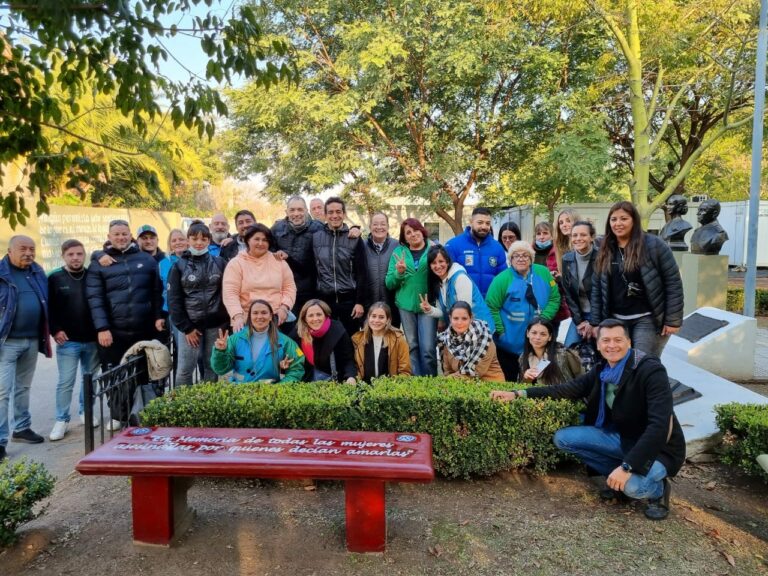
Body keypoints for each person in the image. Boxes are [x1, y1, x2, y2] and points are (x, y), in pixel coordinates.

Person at [491, 319, 686, 521]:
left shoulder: (650, 371)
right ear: (599, 345)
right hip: (624, 438)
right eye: (606, 340)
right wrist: (519, 393)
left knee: (632, 487)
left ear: (629, 342)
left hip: (659, 450)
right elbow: (565, 390)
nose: (612, 345)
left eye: (618, 340)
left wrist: (628, 467)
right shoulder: (602, 370)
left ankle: (658, 490)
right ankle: (617, 477)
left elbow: (659, 426)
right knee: (563, 439)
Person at [86, 219, 165, 430]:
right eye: (116, 234)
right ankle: (118, 415)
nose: (121, 237)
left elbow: (156, 292)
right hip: (113, 332)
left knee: (143, 372)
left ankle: (142, 412)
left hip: (143, 329)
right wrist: (102, 328)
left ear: (131, 235)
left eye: (124, 234)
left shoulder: (147, 260)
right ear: (109, 236)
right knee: (115, 376)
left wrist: (157, 316)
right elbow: (95, 299)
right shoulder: (98, 264)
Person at [591, 201, 684, 357]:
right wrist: (595, 323)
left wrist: (673, 320)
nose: (618, 223)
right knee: (618, 363)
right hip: (615, 320)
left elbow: (673, 282)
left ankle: (652, 382)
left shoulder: (654, 245)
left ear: (634, 220)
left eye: (623, 218)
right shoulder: (604, 248)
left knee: (642, 363)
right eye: (613, 219)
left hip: (647, 318)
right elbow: (596, 289)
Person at [0, 236, 50, 458]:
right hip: (6, 342)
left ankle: (21, 427)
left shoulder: (37, 272)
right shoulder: (2, 274)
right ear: (10, 250)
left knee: (23, 387)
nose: (28, 253)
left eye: (32, 249)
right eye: (23, 248)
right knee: (2, 392)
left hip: (31, 339)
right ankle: (0, 441)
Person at [48, 240, 100, 441]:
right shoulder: (55, 278)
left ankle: (86, 411)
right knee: (65, 382)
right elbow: (49, 308)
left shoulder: (92, 276)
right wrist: (55, 330)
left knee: (90, 379)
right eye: (71, 254)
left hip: (91, 339)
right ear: (64, 256)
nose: (75, 258)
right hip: (67, 341)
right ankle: (61, 419)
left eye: (79, 254)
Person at [486, 240, 560, 382]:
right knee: (510, 382)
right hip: (509, 345)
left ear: (531, 258)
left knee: (535, 382)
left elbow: (554, 298)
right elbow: (491, 307)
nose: (521, 259)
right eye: (516, 256)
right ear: (510, 259)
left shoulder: (543, 273)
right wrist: (501, 333)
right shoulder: (501, 279)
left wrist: (543, 319)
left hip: (538, 344)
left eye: (525, 255)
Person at [167, 222, 229, 386]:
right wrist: (186, 328)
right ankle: (182, 407)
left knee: (212, 366)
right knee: (185, 369)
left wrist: (224, 323)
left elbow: (226, 293)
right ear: (188, 240)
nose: (199, 243)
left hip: (215, 325)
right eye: (194, 239)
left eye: (203, 239)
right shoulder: (178, 266)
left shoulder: (220, 263)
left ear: (209, 241)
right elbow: (174, 301)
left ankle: (208, 405)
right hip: (190, 326)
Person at [385, 218, 437, 376]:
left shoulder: (433, 249)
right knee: (412, 346)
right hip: (406, 306)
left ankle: (431, 383)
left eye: (416, 230)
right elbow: (389, 283)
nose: (413, 234)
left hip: (428, 306)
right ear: (404, 238)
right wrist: (399, 273)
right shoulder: (398, 253)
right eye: (408, 232)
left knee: (428, 348)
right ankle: (416, 383)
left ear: (422, 231)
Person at [222, 224, 296, 334]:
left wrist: (284, 308)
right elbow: (230, 293)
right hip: (246, 319)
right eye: (256, 239)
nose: (260, 243)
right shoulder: (236, 263)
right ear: (248, 240)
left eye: (265, 240)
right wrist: (237, 316)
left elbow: (289, 288)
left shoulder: (279, 262)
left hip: (277, 317)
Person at [211, 299, 304, 383]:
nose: (259, 316)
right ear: (250, 316)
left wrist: (279, 389)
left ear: (271, 316)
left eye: (264, 313)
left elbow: (296, 370)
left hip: (271, 394)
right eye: (255, 313)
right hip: (240, 392)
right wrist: (220, 351)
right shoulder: (234, 339)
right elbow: (220, 369)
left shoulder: (286, 342)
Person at [312, 197, 368, 336]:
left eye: (338, 211)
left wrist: (360, 302)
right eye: (330, 212)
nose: (334, 215)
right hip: (325, 302)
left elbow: (362, 273)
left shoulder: (354, 238)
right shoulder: (316, 237)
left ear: (344, 214)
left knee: (349, 345)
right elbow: (312, 270)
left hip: (349, 302)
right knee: (326, 345)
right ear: (325, 215)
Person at [421, 245, 495, 332]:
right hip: (462, 327)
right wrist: (430, 309)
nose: (438, 266)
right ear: (430, 266)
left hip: (479, 329)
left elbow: (464, 311)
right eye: (434, 263)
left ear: (448, 262)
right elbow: (442, 312)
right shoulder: (438, 283)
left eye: (441, 261)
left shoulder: (460, 278)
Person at [271, 196, 323, 317]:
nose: (296, 214)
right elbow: (259, 239)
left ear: (306, 211)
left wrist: (354, 229)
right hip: (284, 291)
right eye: (292, 210)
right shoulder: (276, 229)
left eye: (300, 210)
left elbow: (335, 234)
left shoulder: (318, 228)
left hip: (311, 290)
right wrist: (233, 238)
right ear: (287, 212)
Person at [444, 207, 507, 297]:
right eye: (480, 222)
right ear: (471, 222)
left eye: (487, 223)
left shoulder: (497, 247)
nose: (484, 226)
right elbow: (445, 277)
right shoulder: (453, 245)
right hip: (463, 304)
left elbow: (503, 278)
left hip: (489, 304)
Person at [293, 299, 357, 384]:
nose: (315, 319)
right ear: (305, 318)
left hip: (335, 382)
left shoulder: (337, 330)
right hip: (308, 382)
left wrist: (350, 376)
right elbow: (290, 357)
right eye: (310, 315)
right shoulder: (299, 332)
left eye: (319, 314)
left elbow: (348, 360)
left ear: (326, 315)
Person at [437, 301, 504, 382]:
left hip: (490, 384)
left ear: (471, 318)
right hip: (460, 386)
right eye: (455, 318)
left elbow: (474, 372)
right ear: (450, 318)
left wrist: (447, 380)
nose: (459, 322)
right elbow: (448, 371)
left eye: (464, 318)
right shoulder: (448, 339)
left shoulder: (484, 338)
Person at [351, 302, 411, 383]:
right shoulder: (357, 339)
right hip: (363, 389)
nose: (376, 320)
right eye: (373, 316)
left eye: (381, 317)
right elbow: (353, 368)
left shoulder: (398, 340)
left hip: (390, 389)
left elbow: (405, 372)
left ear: (388, 320)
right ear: (368, 318)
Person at [562, 220, 598, 348]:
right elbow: (569, 294)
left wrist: (594, 323)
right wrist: (579, 322)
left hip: (600, 316)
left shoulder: (602, 257)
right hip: (579, 316)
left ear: (592, 237)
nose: (578, 239)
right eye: (574, 235)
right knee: (568, 352)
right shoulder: (567, 259)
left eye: (583, 235)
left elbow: (604, 294)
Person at [518, 317, 583, 386]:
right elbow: (521, 388)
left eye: (543, 334)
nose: (537, 337)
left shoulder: (564, 354)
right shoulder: (523, 357)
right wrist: (527, 379)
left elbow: (582, 378)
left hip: (565, 395)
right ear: (528, 333)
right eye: (534, 333)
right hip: (539, 396)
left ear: (550, 337)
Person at [363, 211, 400, 328]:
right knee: (370, 341)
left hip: (392, 304)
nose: (379, 227)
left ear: (388, 226)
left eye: (383, 224)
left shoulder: (398, 245)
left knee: (391, 341)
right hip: (368, 304)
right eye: (375, 224)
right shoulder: (361, 246)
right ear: (370, 227)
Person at [533, 221, 569, 335]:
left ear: (552, 235)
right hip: (534, 302)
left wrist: (559, 278)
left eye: (545, 233)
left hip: (556, 303)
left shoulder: (559, 252)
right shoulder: (530, 253)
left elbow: (567, 278)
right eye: (539, 234)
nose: (542, 237)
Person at [158, 228, 189, 312]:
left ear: (188, 241)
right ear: (170, 244)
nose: (178, 242)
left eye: (181, 239)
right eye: (174, 241)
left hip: (192, 310)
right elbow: (158, 290)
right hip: (172, 311)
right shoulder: (163, 264)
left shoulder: (195, 260)